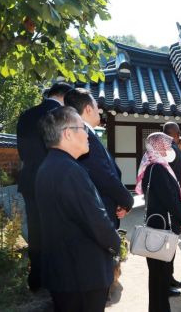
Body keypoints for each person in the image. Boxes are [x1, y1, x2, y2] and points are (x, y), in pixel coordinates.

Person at [35, 107, 120, 311]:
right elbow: (96, 220)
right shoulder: (69, 170)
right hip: (82, 273)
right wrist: (115, 244)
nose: (89, 134)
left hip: (66, 271)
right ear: (68, 133)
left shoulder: (50, 165)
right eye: (83, 128)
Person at [16, 81, 73, 291]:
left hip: (30, 179)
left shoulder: (26, 115)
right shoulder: (62, 115)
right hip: (56, 179)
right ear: (65, 96)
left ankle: (36, 278)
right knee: (58, 229)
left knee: (36, 230)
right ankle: (56, 278)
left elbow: (21, 151)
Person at [136, 133, 181, 312]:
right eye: (166, 145)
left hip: (156, 224)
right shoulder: (158, 168)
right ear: (158, 146)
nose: (169, 149)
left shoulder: (150, 165)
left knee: (158, 275)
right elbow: (170, 199)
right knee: (161, 274)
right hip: (162, 227)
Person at [64, 88, 134, 229]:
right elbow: (103, 175)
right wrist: (126, 200)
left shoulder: (83, 133)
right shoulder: (84, 135)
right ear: (88, 109)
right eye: (97, 107)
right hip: (97, 211)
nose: (99, 110)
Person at [162, 122, 181, 294]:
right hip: (173, 202)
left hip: (171, 201)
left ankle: (169, 278)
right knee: (168, 244)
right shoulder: (171, 150)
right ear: (177, 134)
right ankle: (166, 282)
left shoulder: (166, 148)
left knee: (170, 244)